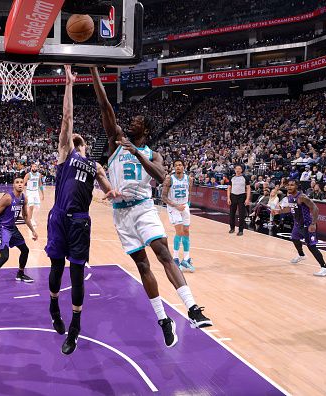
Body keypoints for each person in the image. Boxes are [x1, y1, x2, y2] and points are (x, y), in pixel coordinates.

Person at [91, 66, 212, 350]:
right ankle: (163, 320)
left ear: (144, 130)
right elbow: (104, 105)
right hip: (121, 213)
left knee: (163, 253)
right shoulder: (115, 141)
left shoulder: (152, 153)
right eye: (129, 121)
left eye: (135, 121)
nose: (129, 123)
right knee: (142, 264)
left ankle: (192, 308)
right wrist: (93, 68)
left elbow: (160, 178)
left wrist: (138, 155)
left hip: (144, 208)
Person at [45, 65, 116, 355]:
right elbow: (67, 119)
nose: (75, 141)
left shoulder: (95, 165)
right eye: (72, 139)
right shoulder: (65, 154)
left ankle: (75, 327)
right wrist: (69, 84)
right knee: (56, 268)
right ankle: (52, 305)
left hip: (80, 223)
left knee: (75, 274)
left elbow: (108, 189)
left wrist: (113, 192)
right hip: (59, 217)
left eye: (79, 141)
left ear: (85, 146)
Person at [0, 177, 38, 298]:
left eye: (21, 182)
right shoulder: (7, 198)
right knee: (4, 257)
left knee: (25, 250)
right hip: (1, 228)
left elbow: (25, 217)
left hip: (12, 228)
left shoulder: (23, 198)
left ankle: (20, 274)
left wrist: (33, 231)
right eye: (17, 182)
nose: (20, 184)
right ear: (13, 185)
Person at [273, 180, 326, 277]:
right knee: (294, 239)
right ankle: (301, 255)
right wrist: (278, 212)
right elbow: (291, 208)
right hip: (297, 224)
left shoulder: (302, 197)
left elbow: (315, 208)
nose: (289, 187)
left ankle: (325, 268)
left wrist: (313, 224)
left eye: (292, 185)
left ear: (297, 186)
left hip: (307, 225)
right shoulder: (290, 197)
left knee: (312, 247)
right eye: (288, 185)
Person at [161, 159, 195, 272]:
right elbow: (163, 197)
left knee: (186, 232)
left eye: (180, 165)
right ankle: (175, 258)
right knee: (179, 231)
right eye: (176, 165)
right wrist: (176, 205)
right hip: (173, 207)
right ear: (174, 168)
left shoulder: (189, 179)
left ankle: (186, 259)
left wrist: (187, 205)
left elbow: (189, 193)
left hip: (184, 207)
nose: (178, 167)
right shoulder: (169, 179)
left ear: (183, 167)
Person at [227, 165, 251, 236]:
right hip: (233, 196)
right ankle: (232, 228)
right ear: (234, 170)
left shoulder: (245, 178)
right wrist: (228, 198)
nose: (237, 170)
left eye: (239, 169)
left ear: (241, 170)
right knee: (232, 213)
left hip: (242, 196)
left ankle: (241, 230)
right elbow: (229, 188)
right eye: (236, 169)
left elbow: (248, 189)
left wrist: (247, 199)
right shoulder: (232, 178)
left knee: (241, 214)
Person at [23, 163, 45, 227]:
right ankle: (29, 220)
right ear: (31, 168)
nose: (34, 168)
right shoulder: (28, 175)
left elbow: (40, 184)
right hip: (29, 192)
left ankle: (32, 218)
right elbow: (23, 183)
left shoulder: (39, 175)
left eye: (35, 167)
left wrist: (43, 194)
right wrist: (21, 193)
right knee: (31, 206)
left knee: (37, 207)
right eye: (33, 167)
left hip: (36, 192)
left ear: (37, 168)